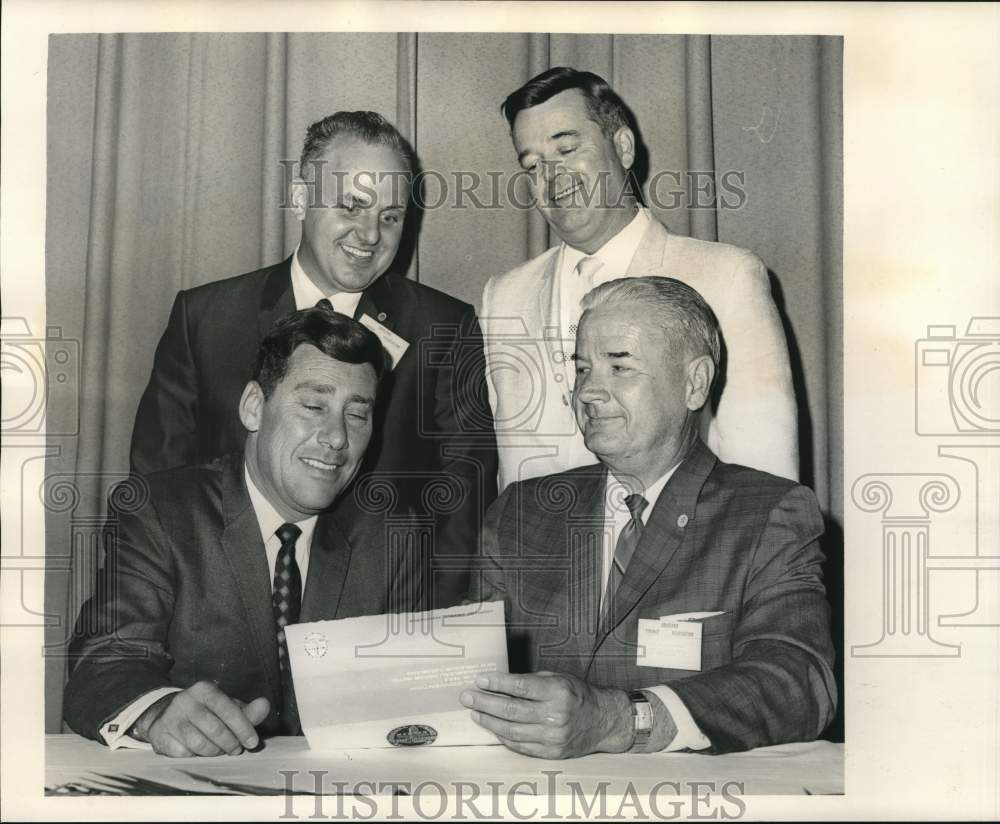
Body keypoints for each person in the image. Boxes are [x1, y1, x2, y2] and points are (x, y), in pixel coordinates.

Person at [130, 111, 497, 607]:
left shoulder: (444, 327)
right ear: (301, 198)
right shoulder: (207, 318)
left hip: (382, 619)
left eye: (390, 216)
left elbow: (465, 502)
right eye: (352, 206)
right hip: (220, 610)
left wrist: (430, 636)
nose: (370, 235)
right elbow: (157, 485)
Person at [463, 277, 835, 757]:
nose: (589, 393)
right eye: (582, 369)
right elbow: (469, 677)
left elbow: (797, 683)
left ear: (694, 383)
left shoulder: (768, 514)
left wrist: (623, 719)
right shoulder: (520, 513)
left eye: (620, 367)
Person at [65, 307, 428, 756]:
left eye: (357, 416)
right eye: (314, 406)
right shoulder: (161, 510)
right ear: (254, 407)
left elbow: (408, 700)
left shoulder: (392, 534)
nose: (337, 437)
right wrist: (159, 713)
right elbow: (104, 661)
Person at [482, 67, 797, 490]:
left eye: (568, 149)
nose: (552, 178)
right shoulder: (503, 296)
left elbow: (766, 483)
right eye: (533, 164)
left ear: (623, 147)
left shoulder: (726, 278)